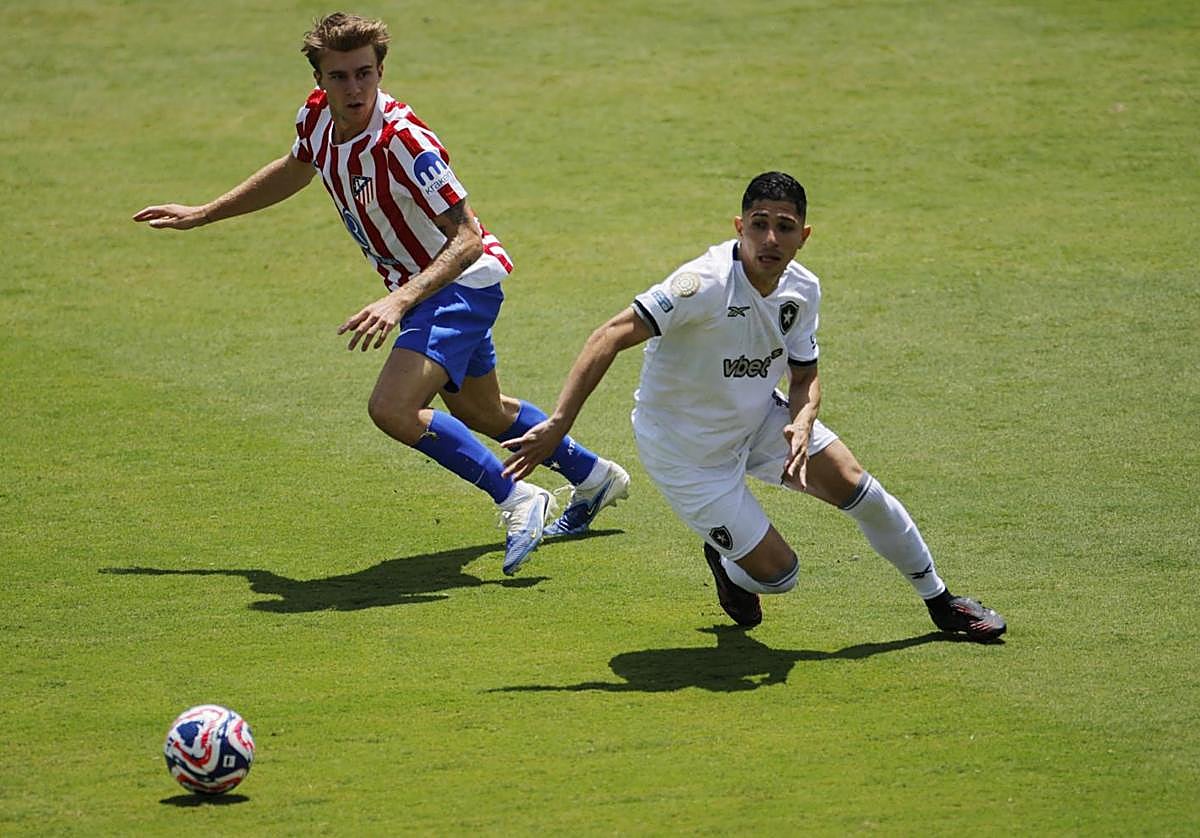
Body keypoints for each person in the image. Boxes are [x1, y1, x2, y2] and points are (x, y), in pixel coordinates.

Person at [132, 12, 629, 574]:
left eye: (364, 74)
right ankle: (593, 477)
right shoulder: (317, 120)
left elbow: (466, 238)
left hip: (459, 283)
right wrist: (204, 213)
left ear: (381, 70)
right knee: (484, 412)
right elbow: (298, 168)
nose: (354, 89)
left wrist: (397, 301)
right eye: (339, 76)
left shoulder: (403, 142)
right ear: (319, 80)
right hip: (421, 290)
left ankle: (518, 497)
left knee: (392, 408)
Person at [502, 171, 1006, 641]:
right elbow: (607, 336)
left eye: (784, 228)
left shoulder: (802, 290)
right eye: (760, 225)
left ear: (803, 236)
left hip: (762, 420)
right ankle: (726, 561)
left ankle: (941, 603)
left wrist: (804, 419)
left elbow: (804, 374)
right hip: (686, 454)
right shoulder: (701, 285)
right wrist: (558, 424)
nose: (770, 239)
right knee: (781, 576)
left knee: (862, 490)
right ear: (740, 227)